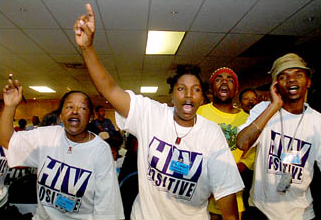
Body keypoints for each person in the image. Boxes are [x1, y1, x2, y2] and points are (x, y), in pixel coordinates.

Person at [74, 4, 244, 220]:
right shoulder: (151, 114)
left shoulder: (211, 133)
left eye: (196, 90)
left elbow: (227, 191)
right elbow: (110, 89)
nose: (188, 95)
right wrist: (87, 48)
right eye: (181, 89)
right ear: (172, 96)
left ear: (202, 99)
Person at [0, 79, 124, 220]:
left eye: (82, 108)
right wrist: (9, 107)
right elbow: (8, 142)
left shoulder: (100, 150)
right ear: (61, 116)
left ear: (90, 117)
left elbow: (107, 209)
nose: (75, 111)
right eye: (69, 107)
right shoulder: (47, 136)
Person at [237, 53, 321, 220]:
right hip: (260, 211)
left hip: (301, 214)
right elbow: (242, 142)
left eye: (298, 74)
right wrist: (274, 106)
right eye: (283, 76)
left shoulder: (317, 121)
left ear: (309, 81)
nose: (291, 80)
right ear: (275, 85)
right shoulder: (263, 110)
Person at [197, 67, 255, 219]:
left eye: (230, 80)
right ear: (211, 89)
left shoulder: (247, 120)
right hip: (204, 192)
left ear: (235, 91)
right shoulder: (200, 112)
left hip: (234, 193)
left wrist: (235, 170)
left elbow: (252, 154)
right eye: (218, 79)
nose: (224, 81)